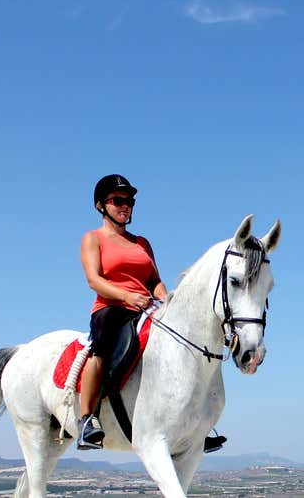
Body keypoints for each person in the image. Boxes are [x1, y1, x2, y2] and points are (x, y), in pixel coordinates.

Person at [77, 174, 227, 453]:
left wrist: (165, 298)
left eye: (129, 201)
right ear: (101, 205)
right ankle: (87, 419)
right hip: (111, 308)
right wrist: (126, 296)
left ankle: (195, 424)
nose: (126, 206)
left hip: (145, 306)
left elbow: (153, 280)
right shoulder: (93, 239)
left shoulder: (142, 243)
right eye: (118, 201)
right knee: (101, 349)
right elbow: (93, 280)